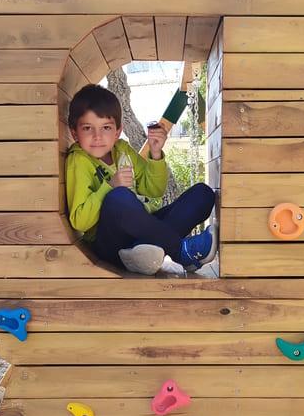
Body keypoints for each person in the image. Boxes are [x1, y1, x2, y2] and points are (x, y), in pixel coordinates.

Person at [65, 83, 217, 275]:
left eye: (105, 127)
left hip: (143, 231)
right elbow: (80, 221)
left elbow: (154, 190)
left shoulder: (122, 150)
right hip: (110, 245)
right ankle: (180, 251)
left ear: (117, 131)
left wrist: (155, 153)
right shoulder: (78, 160)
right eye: (88, 128)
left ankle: (142, 252)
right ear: (74, 133)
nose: (97, 136)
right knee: (118, 197)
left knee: (202, 194)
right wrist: (109, 186)